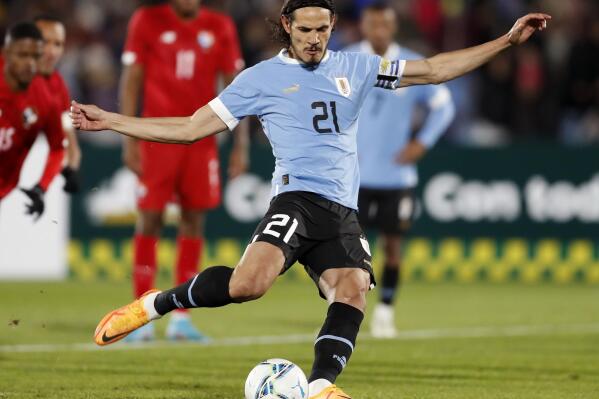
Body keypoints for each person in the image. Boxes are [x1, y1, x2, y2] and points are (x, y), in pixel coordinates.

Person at [72, 1, 550, 397]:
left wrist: (506, 41)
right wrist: (113, 121)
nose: (315, 38)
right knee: (248, 286)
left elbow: (433, 69)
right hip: (296, 199)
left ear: (333, 26)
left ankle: (321, 387)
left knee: (353, 289)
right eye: (305, 29)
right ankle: (154, 305)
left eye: (323, 28)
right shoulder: (260, 79)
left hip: (342, 212)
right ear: (287, 26)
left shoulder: (359, 66)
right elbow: (191, 128)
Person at [119, 0, 249, 341]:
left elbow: (236, 87)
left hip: (201, 139)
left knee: (193, 220)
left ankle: (181, 317)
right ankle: (139, 313)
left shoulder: (220, 26)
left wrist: (241, 144)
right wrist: (129, 138)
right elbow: (132, 79)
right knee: (150, 217)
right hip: (156, 136)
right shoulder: (147, 20)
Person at [344, 1, 456, 338]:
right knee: (349, 249)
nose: (379, 30)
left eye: (385, 25)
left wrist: (422, 142)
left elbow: (444, 106)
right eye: (373, 24)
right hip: (354, 177)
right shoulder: (346, 61)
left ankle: (386, 310)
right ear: (364, 26)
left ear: (393, 27)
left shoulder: (409, 64)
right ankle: (349, 306)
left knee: (393, 247)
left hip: (396, 176)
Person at [0, 22, 64, 220]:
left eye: (35, 56)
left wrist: (41, 187)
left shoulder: (45, 100)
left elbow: (58, 148)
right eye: (22, 55)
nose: (30, 64)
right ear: (6, 53)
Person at [34, 15, 82, 194]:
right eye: (45, 42)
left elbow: (68, 136)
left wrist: (72, 168)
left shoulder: (58, 87)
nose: (52, 52)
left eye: (58, 44)